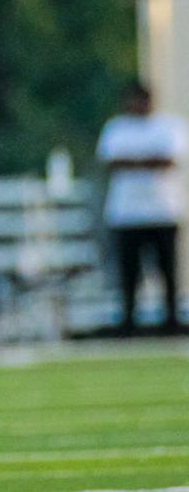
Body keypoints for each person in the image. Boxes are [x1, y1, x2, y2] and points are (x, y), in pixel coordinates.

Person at [96, 81, 189, 335]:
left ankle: (170, 319)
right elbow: (112, 162)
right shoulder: (116, 128)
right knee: (129, 272)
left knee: (167, 270)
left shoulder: (168, 126)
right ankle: (128, 320)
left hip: (163, 210)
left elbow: (169, 160)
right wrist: (148, 160)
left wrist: (134, 161)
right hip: (126, 213)